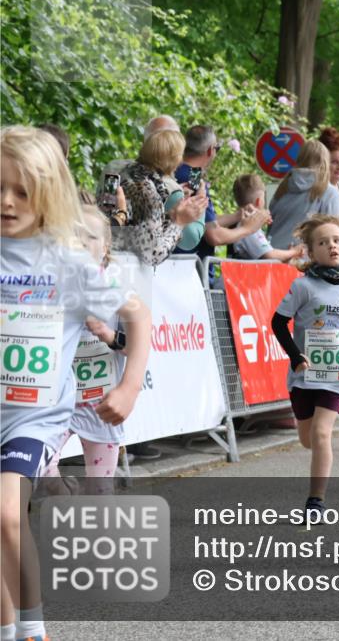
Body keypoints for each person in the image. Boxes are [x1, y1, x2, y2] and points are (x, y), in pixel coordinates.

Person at [1, 126, 152, 641]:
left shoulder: (66, 262)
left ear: (48, 193)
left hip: (32, 416)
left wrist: (129, 387)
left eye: (22, 191)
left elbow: (138, 315)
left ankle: (33, 629)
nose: (7, 201)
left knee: (7, 514)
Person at [271, 215, 339, 518]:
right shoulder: (303, 286)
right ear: (311, 251)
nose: (331, 246)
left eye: (336, 240)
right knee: (308, 439)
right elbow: (278, 322)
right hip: (304, 375)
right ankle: (319, 460)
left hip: (337, 375)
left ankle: (315, 502)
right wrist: (295, 356)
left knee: (321, 434)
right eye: (323, 242)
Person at [43, 205, 128, 496]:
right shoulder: (51, 285)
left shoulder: (118, 289)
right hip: (58, 402)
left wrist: (107, 334)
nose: (81, 243)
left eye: (90, 237)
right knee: (40, 468)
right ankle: (63, 492)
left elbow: (135, 346)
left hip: (100, 405)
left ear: (105, 246)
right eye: (75, 236)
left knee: (100, 491)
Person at [114, 129, 207, 267]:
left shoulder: (126, 173)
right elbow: (152, 254)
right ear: (173, 160)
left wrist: (172, 214)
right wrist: (179, 223)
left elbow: (141, 229)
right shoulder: (148, 193)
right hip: (127, 270)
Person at [174, 125, 269, 259]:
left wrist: (238, 215)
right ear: (210, 151)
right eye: (217, 149)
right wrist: (248, 228)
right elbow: (214, 235)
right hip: (188, 265)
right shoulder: (194, 178)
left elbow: (204, 221)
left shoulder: (174, 170)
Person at [267, 139, 339, 251]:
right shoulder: (328, 193)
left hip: (272, 254)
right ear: (325, 162)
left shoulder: (282, 189)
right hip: (303, 258)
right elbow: (337, 234)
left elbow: (270, 226)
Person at [230, 174, 304, 262]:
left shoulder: (237, 223)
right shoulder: (250, 228)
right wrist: (294, 252)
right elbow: (270, 255)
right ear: (259, 201)